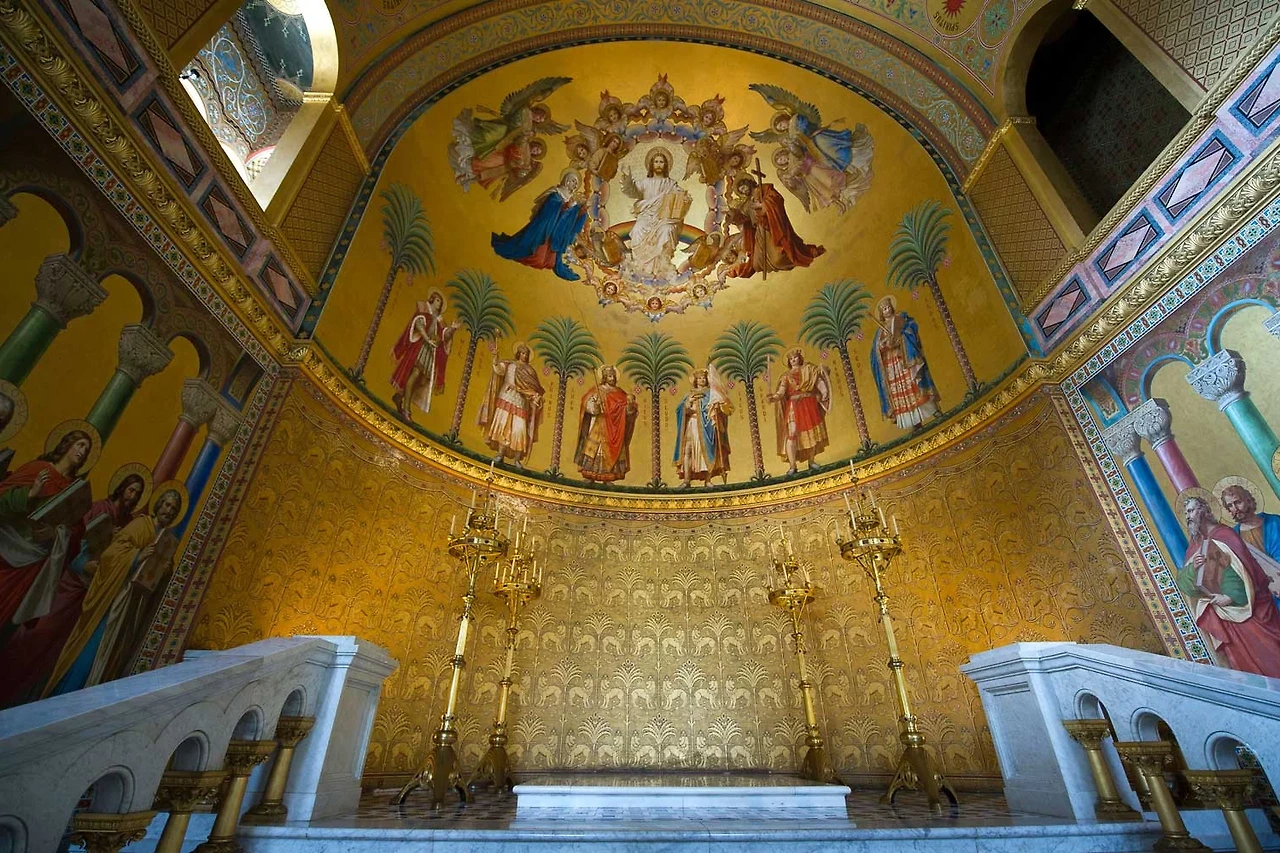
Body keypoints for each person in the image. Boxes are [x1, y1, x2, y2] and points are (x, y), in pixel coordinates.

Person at [0, 468, 146, 704]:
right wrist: (88, 556)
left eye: (137, 494)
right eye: (131, 490)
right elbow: (77, 540)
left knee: (54, 648)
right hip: (71, 583)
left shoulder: (127, 523)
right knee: (36, 634)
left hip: (88, 593)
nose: (133, 496)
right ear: (121, 488)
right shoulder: (100, 508)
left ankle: (22, 695)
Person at [43, 486, 184, 697]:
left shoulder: (166, 540)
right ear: (158, 505)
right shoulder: (141, 525)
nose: (169, 511)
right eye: (167, 505)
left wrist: (164, 571)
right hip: (114, 600)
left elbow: (158, 577)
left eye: (173, 509)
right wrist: (137, 557)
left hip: (132, 607)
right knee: (93, 651)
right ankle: (66, 693)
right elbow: (111, 555)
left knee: (112, 655)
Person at [0, 426, 95, 640]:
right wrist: (30, 495)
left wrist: (57, 533)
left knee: (7, 612)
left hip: (33, 565)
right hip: (7, 549)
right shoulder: (38, 469)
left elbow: (76, 536)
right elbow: (2, 497)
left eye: (87, 450)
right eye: (80, 445)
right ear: (66, 445)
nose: (82, 452)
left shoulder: (73, 489)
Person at [1175, 495, 1280, 677]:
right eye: (1186, 513)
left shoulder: (1225, 535)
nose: (1188, 516)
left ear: (1205, 511)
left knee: (1271, 659)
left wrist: (1231, 596)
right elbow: (1184, 583)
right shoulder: (1194, 546)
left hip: (1251, 611)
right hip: (1227, 620)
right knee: (1245, 669)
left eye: (1191, 511)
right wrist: (1193, 569)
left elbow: (1247, 571)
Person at [492, 169, 589, 281]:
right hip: (546, 228)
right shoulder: (556, 192)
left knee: (550, 263)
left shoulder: (573, 199)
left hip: (558, 232)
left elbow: (574, 216)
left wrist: (582, 210)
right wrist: (566, 206)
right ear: (567, 181)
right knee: (538, 260)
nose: (575, 184)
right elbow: (548, 207)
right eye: (573, 181)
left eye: (576, 183)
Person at [725, 174, 824, 279]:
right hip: (759, 233)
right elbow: (744, 218)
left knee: (778, 260)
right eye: (741, 191)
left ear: (748, 183)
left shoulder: (764, 189)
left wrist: (763, 205)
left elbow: (777, 199)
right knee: (757, 265)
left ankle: (793, 255)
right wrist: (732, 215)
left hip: (772, 228)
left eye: (744, 187)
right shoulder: (747, 204)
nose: (744, 191)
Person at [870, 295, 941, 431]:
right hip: (892, 368)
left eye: (888, 307)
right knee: (901, 392)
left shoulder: (900, 318)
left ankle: (934, 411)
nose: (887, 310)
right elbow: (875, 351)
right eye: (884, 309)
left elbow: (911, 330)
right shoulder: (880, 331)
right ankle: (915, 423)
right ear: (881, 313)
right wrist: (883, 346)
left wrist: (900, 339)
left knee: (914, 384)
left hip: (904, 359)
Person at [620, 148, 692, 282]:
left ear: (666, 165)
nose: (659, 164)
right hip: (646, 217)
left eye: (661, 162)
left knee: (667, 230)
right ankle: (640, 265)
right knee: (637, 230)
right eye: (656, 161)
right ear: (651, 164)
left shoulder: (671, 184)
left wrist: (685, 199)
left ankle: (662, 266)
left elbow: (681, 196)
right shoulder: (644, 183)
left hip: (664, 219)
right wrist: (627, 179)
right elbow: (631, 191)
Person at [390, 289, 459, 422]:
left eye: (441, 302)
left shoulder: (439, 319)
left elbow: (445, 336)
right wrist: (428, 339)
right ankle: (406, 410)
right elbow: (419, 325)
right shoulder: (423, 309)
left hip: (430, 353)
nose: (439, 304)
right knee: (415, 374)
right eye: (438, 300)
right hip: (420, 348)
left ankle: (399, 396)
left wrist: (453, 328)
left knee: (421, 381)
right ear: (432, 299)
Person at [479, 343, 544, 468]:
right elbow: (499, 370)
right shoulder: (510, 365)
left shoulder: (530, 371)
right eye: (523, 353)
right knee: (503, 425)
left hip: (521, 402)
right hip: (506, 397)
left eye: (526, 354)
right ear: (518, 353)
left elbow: (535, 388)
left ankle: (517, 459)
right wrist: (495, 358)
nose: (524, 356)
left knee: (519, 430)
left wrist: (534, 397)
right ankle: (500, 454)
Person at [768, 348, 830, 474]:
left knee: (812, 432)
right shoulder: (786, 376)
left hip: (809, 404)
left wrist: (824, 392)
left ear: (800, 358)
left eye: (795, 357)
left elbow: (818, 381)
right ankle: (792, 466)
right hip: (793, 406)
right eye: (790, 359)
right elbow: (781, 391)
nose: (793, 360)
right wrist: (774, 397)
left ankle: (811, 461)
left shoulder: (809, 370)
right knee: (792, 433)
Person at [1220, 482, 1280, 609]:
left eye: (1238, 502)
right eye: (1230, 505)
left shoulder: (1275, 522)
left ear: (1249, 500)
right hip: (1266, 599)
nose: (1235, 508)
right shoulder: (1233, 538)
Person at [574, 365, 637, 483]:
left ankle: (608, 477)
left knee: (613, 451)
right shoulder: (598, 390)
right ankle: (590, 476)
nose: (612, 378)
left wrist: (630, 407)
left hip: (615, 428)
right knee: (595, 449)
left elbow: (627, 410)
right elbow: (587, 404)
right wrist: (595, 406)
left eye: (613, 376)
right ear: (604, 377)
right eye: (610, 376)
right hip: (599, 424)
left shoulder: (620, 393)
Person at [673, 367, 732, 487]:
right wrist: (688, 403)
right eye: (700, 378)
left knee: (708, 452)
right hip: (692, 424)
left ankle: (708, 480)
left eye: (704, 378)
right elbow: (680, 410)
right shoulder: (689, 395)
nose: (702, 380)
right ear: (695, 380)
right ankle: (686, 480)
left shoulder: (712, 394)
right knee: (687, 450)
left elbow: (723, 408)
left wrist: (717, 409)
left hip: (707, 427)